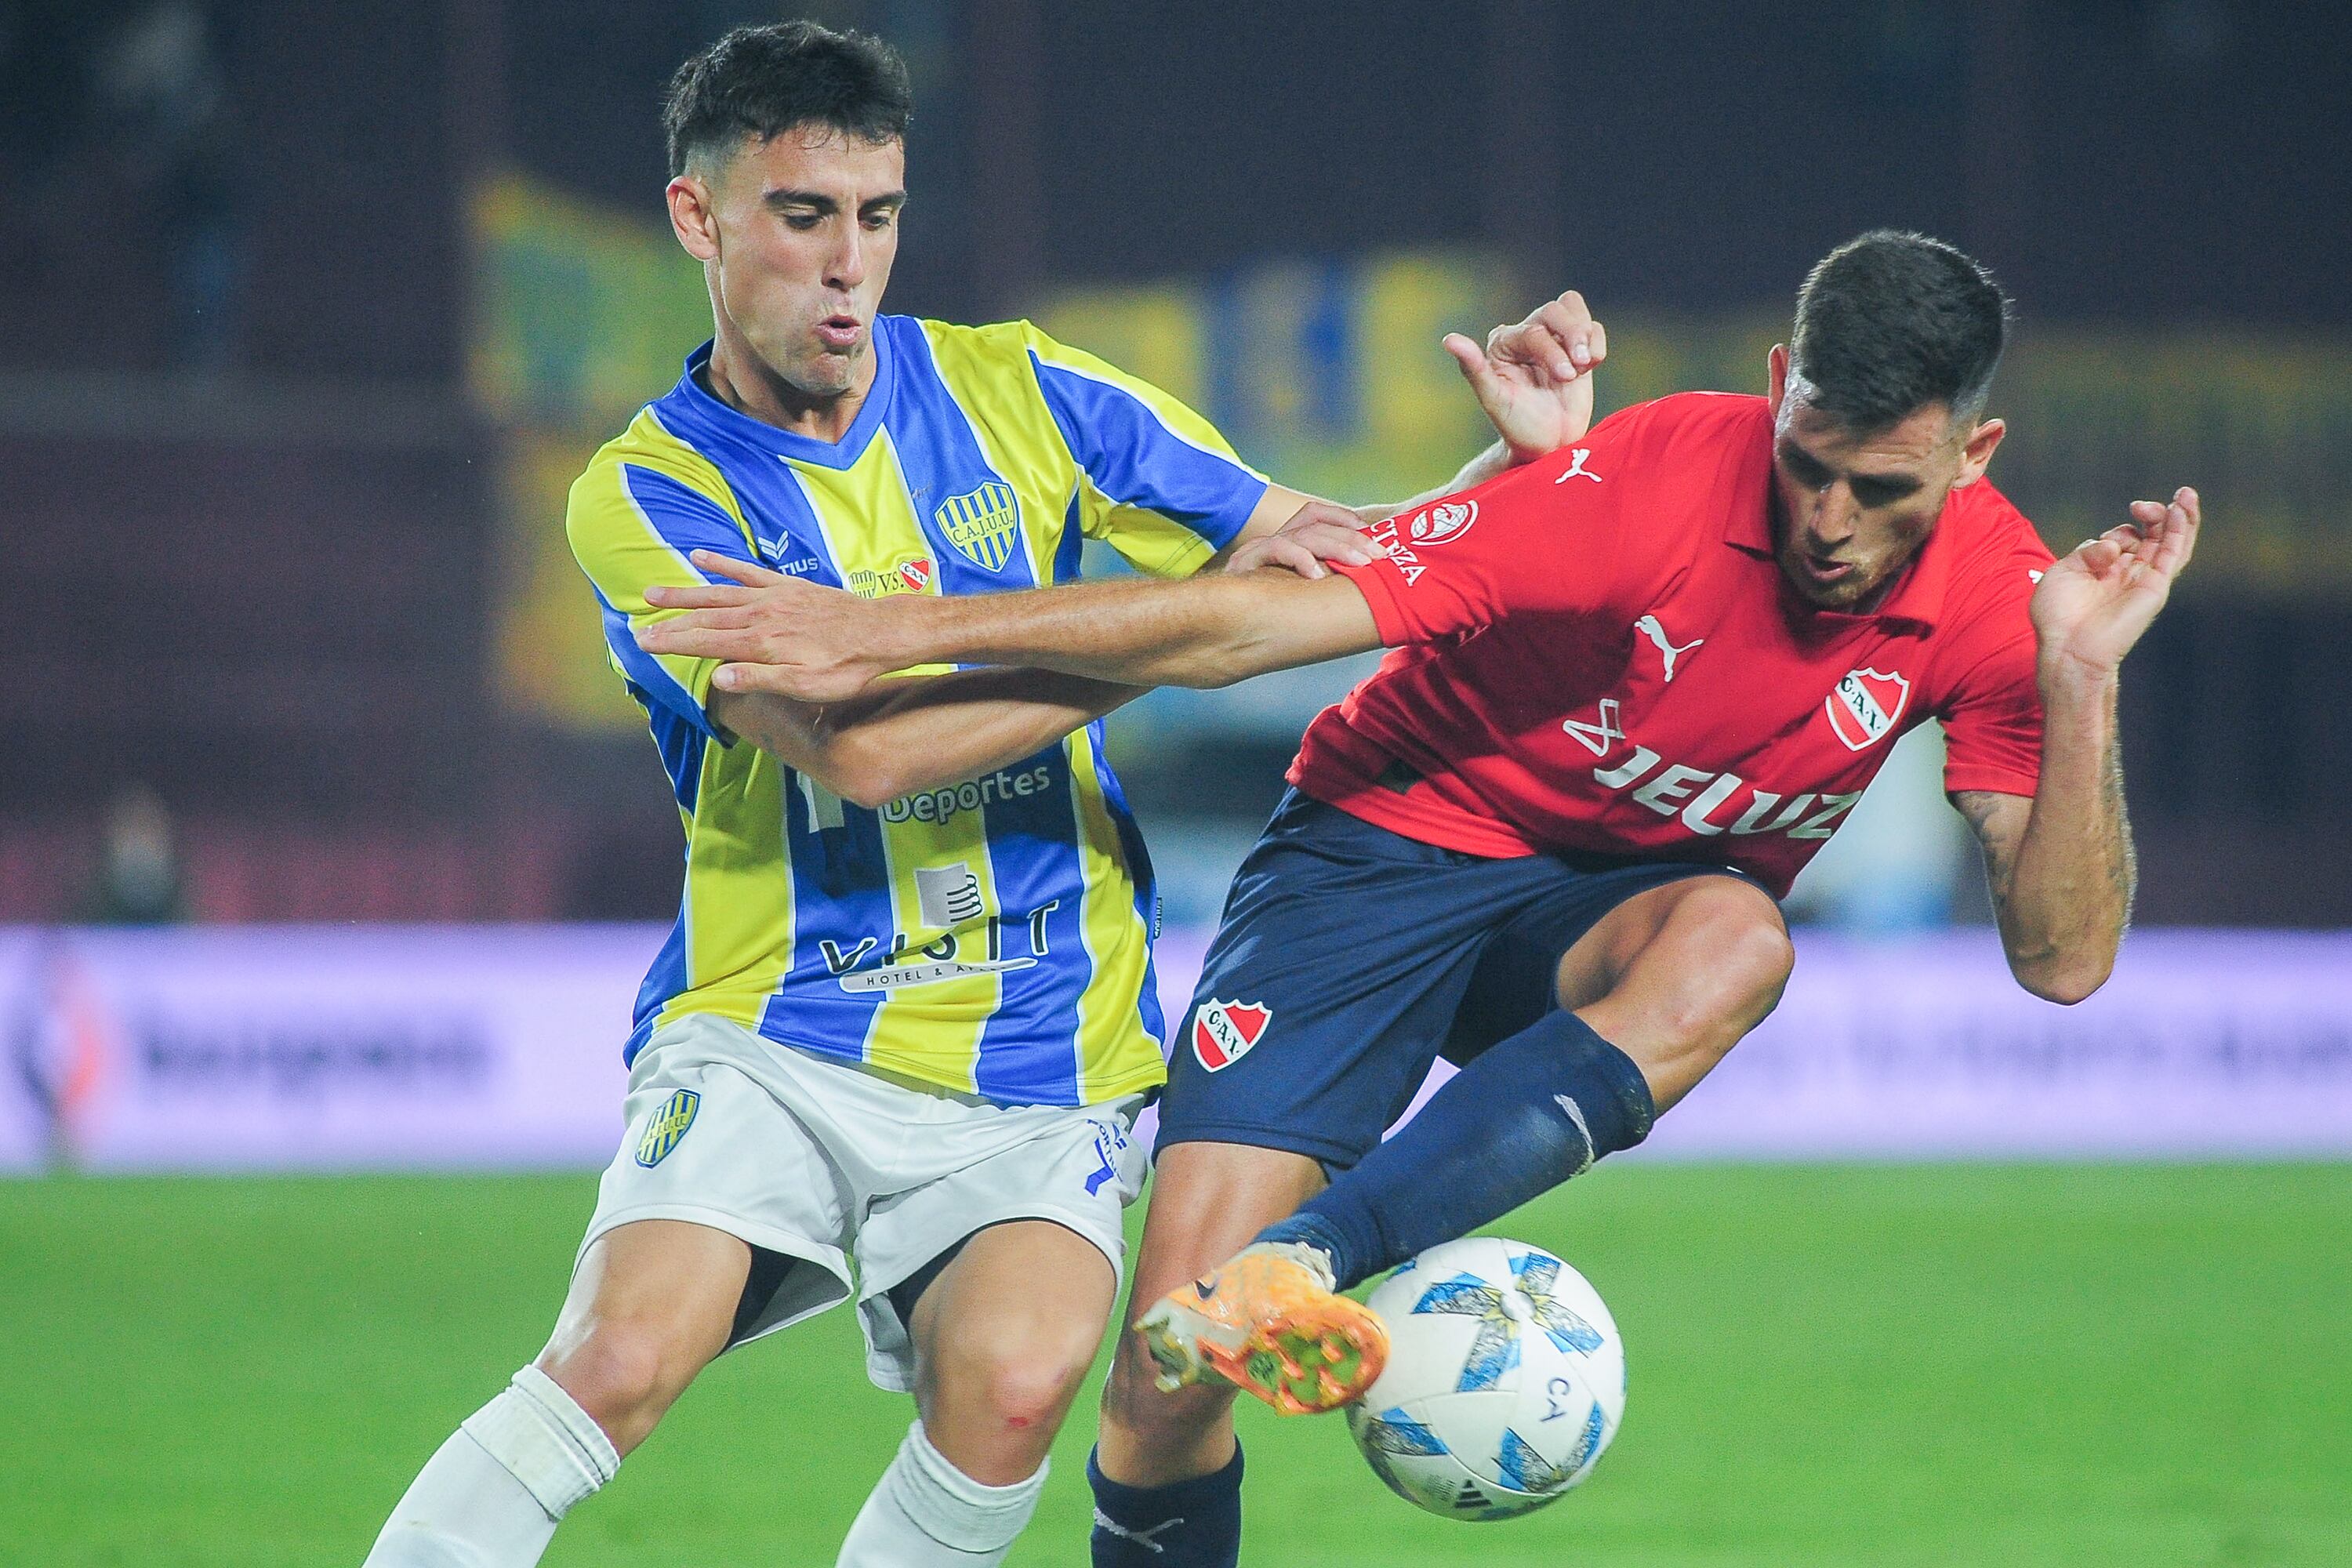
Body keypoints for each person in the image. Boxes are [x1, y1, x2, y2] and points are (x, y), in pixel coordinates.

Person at [638, 230, 2201, 1568]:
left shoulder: (2007, 609)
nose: (1829, 523)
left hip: (1604, 914)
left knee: (1736, 934)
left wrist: (2082, 678)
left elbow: (2063, 960)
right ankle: (1272, 1280)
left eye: (1880, 487)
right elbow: (1253, 626)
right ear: (1780, 380)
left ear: (1971, 456)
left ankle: (1320, 1254)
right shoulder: (1636, 484)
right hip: (1381, 853)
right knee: (1168, 1381)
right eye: (1808, 467)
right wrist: (896, 630)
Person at [361, 20, 1608, 1568]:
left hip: (1045, 1041)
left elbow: (1331, 557)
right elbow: (863, 751)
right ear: (699, 219)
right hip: (781, 1023)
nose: (846, 266)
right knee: (618, 1362)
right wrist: (1181, 640)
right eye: (800, 215)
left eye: (875, 217)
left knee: (1018, 1387)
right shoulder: (648, 493)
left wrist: (1510, 479)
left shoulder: (1025, 394)